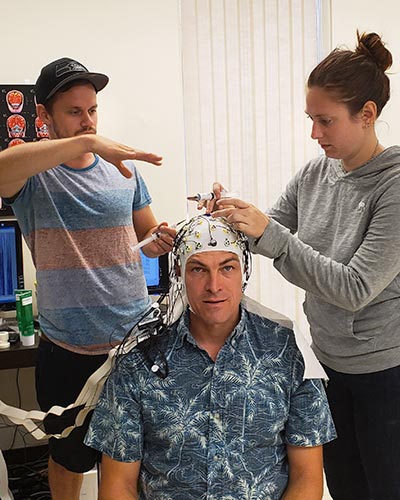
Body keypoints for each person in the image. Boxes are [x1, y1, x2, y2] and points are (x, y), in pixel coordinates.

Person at [210, 31, 400, 500]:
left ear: (368, 114)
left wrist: (268, 235)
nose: (314, 133)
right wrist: (221, 223)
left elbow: (355, 287)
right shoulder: (318, 172)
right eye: (311, 119)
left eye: (326, 121)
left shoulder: (393, 188)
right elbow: (269, 229)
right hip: (328, 363)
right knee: (348, 487)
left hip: (386, 374)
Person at [0, 57, 175, 500]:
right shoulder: (33, 177)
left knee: (126, 464)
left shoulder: (124, 169)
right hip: (67, 352)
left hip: (132, 345)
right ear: (44, 116)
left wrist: (160, 239)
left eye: (92, 110)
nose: (87, 121)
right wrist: (94, 141)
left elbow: (147, 231)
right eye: (74, 112)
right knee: (67, 461)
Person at [85, 214, 336, 500]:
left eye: (227, 268)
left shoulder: (287, 353)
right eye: (198, 270)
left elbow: (307, 478)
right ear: (178, 273)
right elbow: (118, 485)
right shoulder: (140, 362)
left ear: (244, 270)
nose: (214, 285)